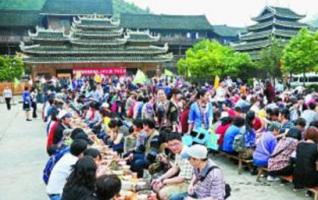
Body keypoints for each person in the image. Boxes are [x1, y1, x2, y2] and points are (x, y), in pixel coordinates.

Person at [152, 133, 193, 200]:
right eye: (170, 145)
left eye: (176, 144)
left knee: (162, 193)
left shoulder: (186, 154)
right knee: (157, 186)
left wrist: (163, 181)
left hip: (190, 184)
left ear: (181, 141)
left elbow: (182, 178)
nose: (173, 147)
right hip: (182, 180)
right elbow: (175, 168)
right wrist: (160, 179)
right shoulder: (178, 151)